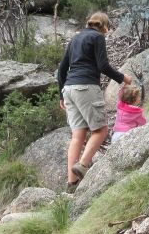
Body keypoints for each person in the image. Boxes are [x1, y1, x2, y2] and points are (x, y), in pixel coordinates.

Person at [57, 12, 132, 193]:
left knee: (78, 136)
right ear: (104, 26)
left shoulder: (75, 40)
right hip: (86, 86)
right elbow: (103, 66)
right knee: (101, 130)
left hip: (69, 89)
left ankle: (71, 184)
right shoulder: (97, 37)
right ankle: (82, 165)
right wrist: (123, 78)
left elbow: (61, 69)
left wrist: (61, 95)